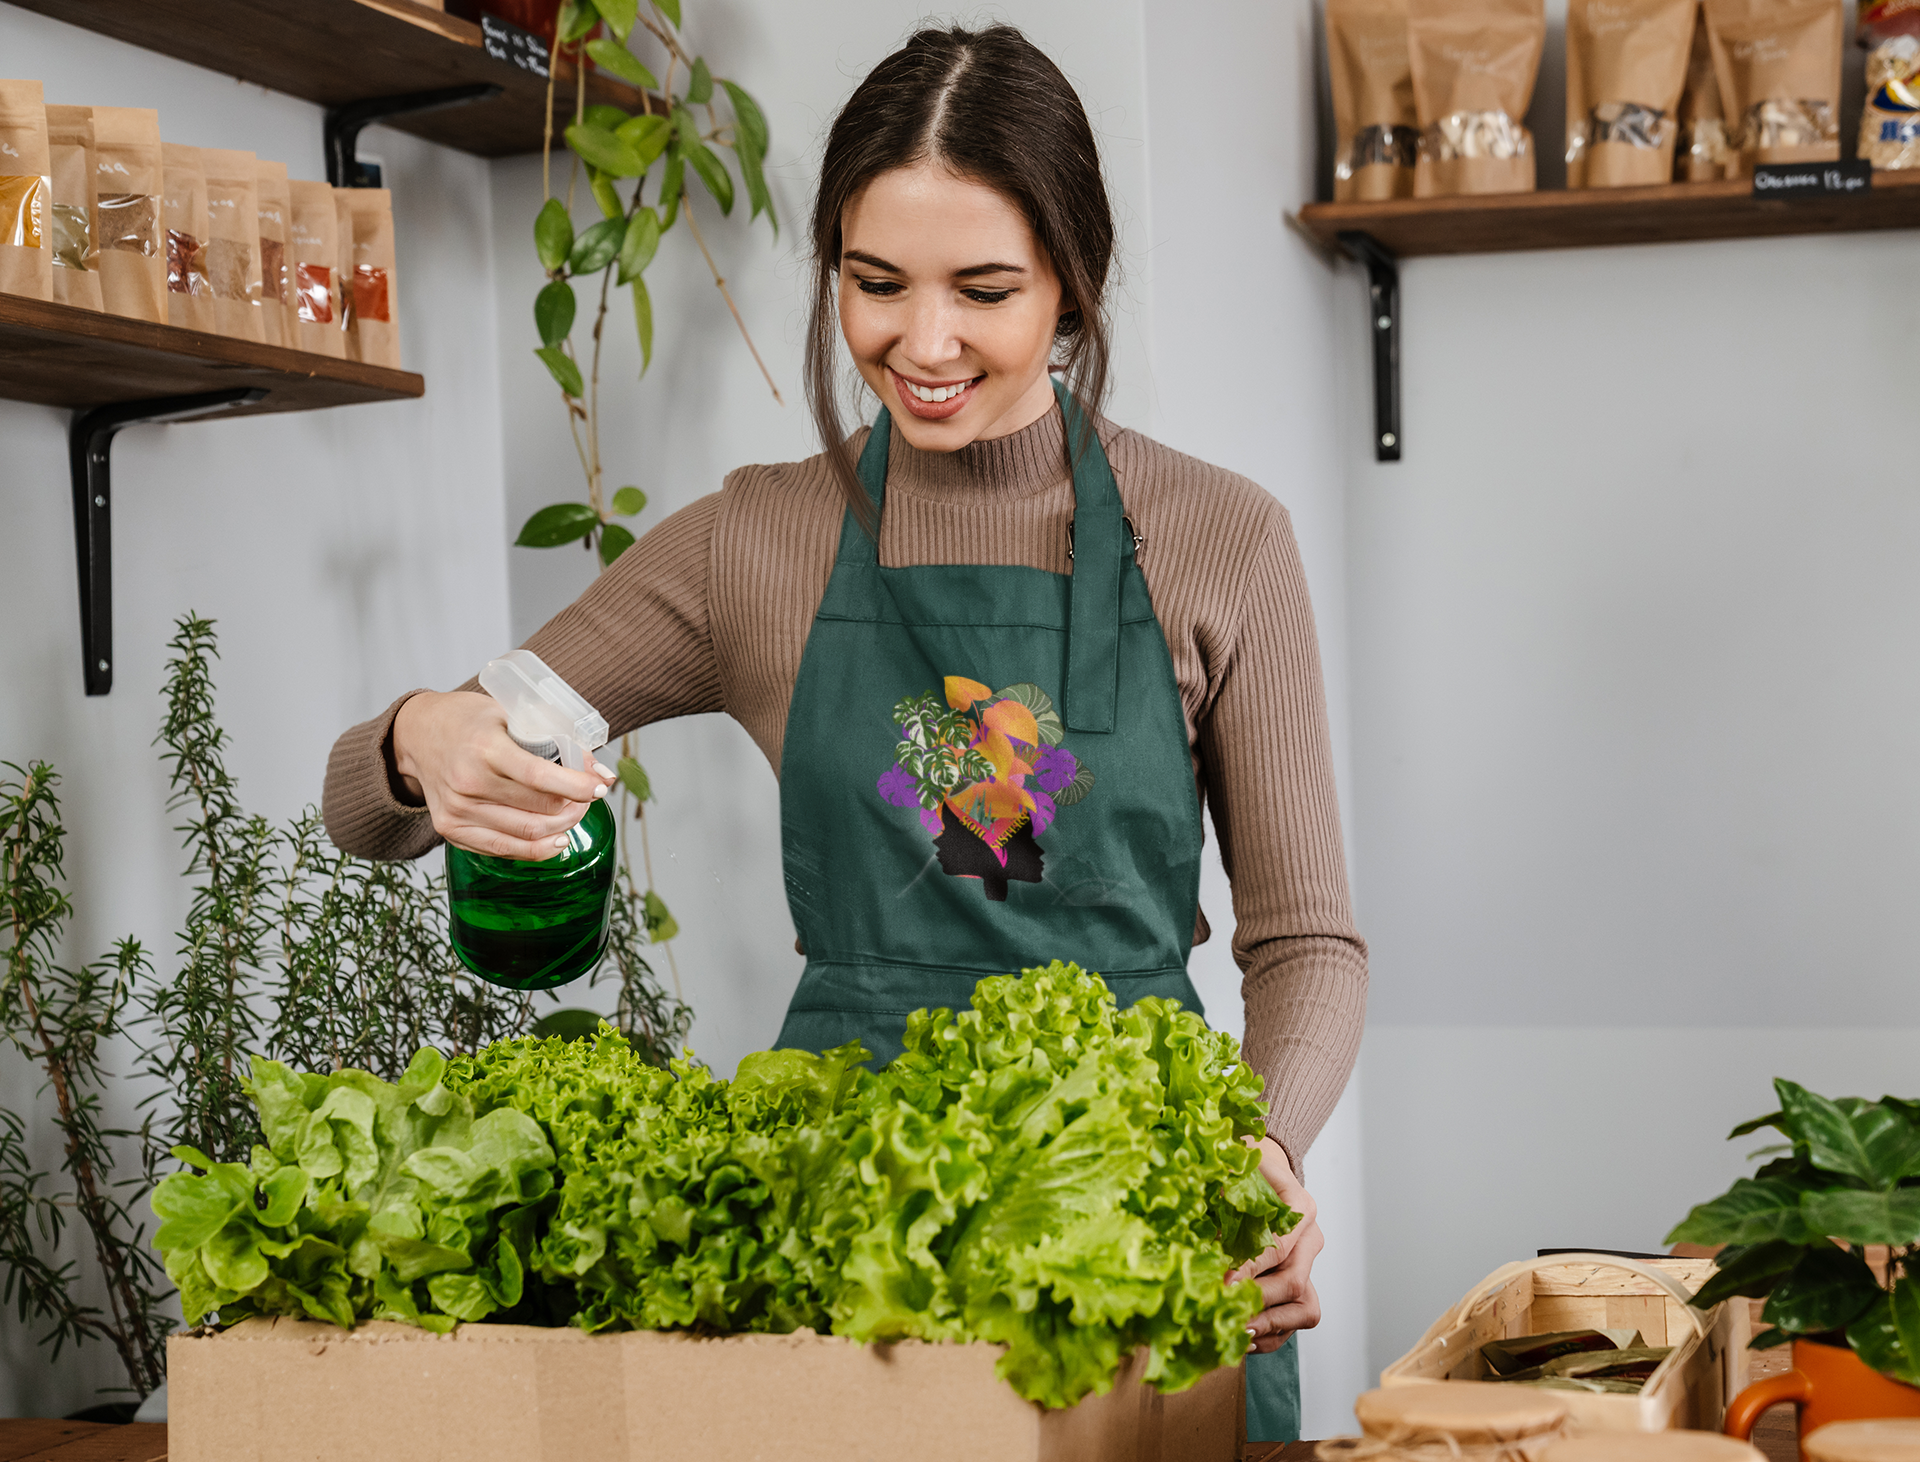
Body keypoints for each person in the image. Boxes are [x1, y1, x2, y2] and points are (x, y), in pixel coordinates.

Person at [322, 23, 1366, 1441]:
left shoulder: (1221, 537)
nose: (921, 344)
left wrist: (1268, 1144)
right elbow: (366, 807)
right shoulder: (757, 538)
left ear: (1072, 282)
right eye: (876, 285)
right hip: (837, 1229)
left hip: (1141, 1213)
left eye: (983, 290)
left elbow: (1306, 941)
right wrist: (421, 738)